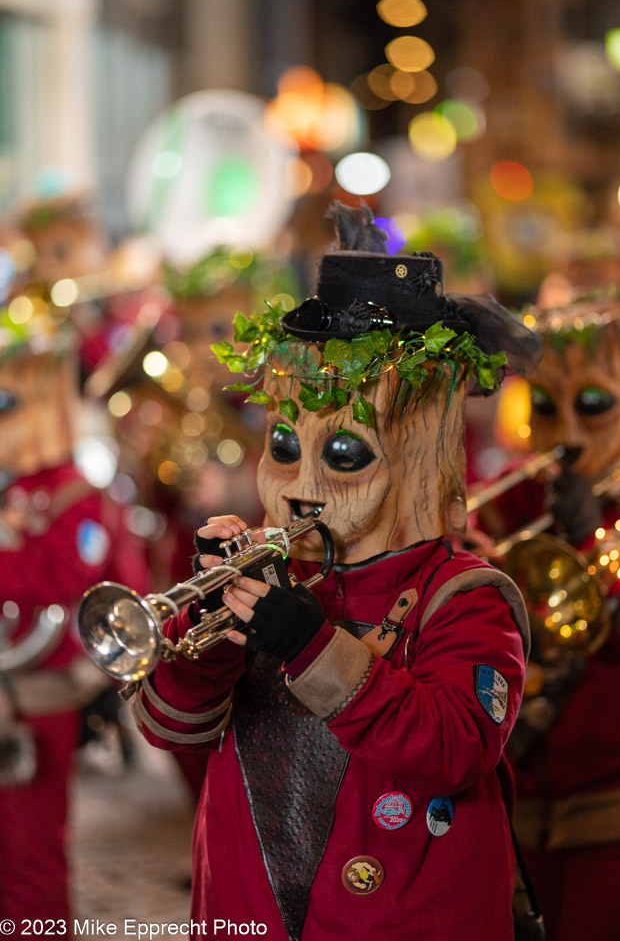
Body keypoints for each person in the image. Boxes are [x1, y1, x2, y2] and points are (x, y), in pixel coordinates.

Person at [126, 202, 542, 940]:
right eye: (285, 446)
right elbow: (167, 725)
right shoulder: (281, 564)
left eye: (343, 454)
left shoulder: (467, 598)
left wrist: (312, 648)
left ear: (411, 453)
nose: (300, 480)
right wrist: (210, 626)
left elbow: (453, 748)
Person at [476, 291, 620, 941]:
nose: (565, 431)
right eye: (545, 405)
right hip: (522, 790)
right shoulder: (513, 492)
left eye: (591, 405)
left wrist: (594, 540)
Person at [0, 301, 149, 926]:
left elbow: (68, 585)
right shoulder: (16, 486)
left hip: (34, 693)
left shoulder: (72, 493)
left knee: (29, 854)